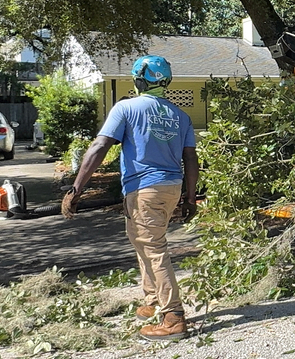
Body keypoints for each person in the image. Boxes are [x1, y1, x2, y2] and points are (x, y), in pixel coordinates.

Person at [61, 55, 198, 340]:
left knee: (153, 248)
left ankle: (173, 317)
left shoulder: (126, 108)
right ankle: (152, 300)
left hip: (145, 189)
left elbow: (100, 146)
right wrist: (189, 198)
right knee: (140, 240)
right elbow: (190, 158)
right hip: (171, 186)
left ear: (138, 80)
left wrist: (76, 189)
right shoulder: (180, 115)